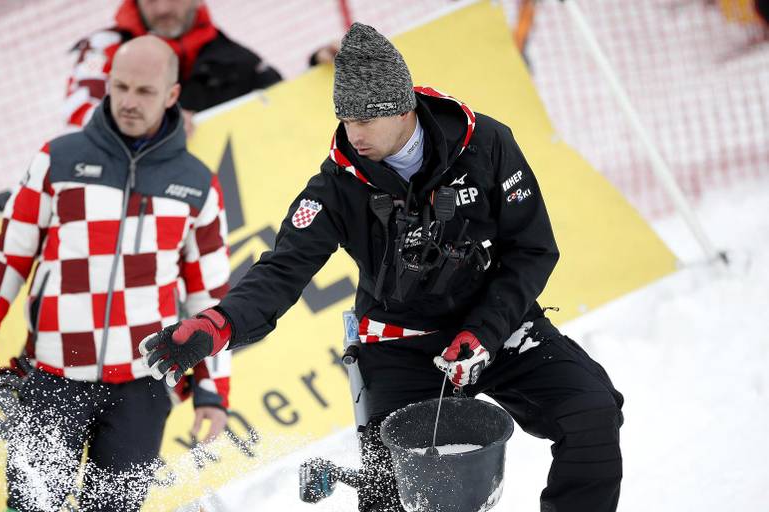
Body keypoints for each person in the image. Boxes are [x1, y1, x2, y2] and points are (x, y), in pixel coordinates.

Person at [139, 22, 625, 512]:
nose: (354, 134)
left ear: (404, 108)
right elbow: (281, 270)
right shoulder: (335, 185)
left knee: (592, 411)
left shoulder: (487, 144)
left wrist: (485, 331)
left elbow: (533, 249)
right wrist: (219, 323)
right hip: (399, 345)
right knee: (390, 497)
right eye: (345, 120)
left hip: (498, 325)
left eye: (366, 120)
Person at [0, 35, 231, 512]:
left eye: (144, 91)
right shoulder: (56, 160)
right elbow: (8, 257)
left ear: (171, 95)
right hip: (52, 380)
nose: (128, 101)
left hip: (144, 388)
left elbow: (207, 299)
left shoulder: (196, 183)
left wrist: (211, 389)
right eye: (119, 86)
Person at [65, 0, 282, 136]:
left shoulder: (234, 56)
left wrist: (316, 64)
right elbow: (79, 113)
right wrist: (151, 122)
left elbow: (287, 105)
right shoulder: (104, 48)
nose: (162, 8)